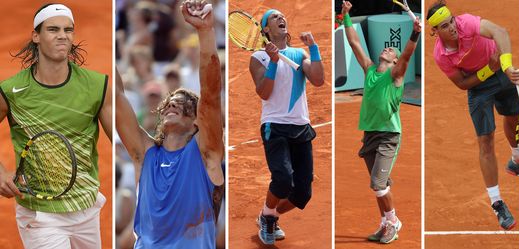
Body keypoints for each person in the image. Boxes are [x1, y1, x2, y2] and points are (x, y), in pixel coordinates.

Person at [0, 4, 111, 248]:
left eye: (68, 30)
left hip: (86, 207)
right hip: (40, 214)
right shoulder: (11, 90)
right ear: (36, 36)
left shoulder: (97, 85)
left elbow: (122, 139)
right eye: (53, 29)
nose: (63, 35)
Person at [115, 1, 225, 247]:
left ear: (198, 120)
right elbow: (116, 95)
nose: (173, 104)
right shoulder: (145, 154)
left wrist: (205, 32)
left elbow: (210, 96)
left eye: (183, 102)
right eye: (170, 102)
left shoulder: (206, 153)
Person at [427, 0, 519, 230]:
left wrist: (506, 65)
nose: (451, 27)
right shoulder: (441, 55)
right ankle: (497, 202)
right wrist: (487, 69)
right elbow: (462, 83)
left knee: (512, 117)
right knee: (486, 141)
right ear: (435, 31)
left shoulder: (467, 23)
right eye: (444, 25)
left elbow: (499, 32)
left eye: (451, 21)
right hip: (478, 87)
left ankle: (517, 159)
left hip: (501, 72)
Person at [340, 1, 419, 244]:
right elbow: (354, 42)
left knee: (378, 184)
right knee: (379, 184)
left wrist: (415, 33)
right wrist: (345, 16)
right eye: (386, 48)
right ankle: (385, 222)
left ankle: (393, 221)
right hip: (370, 134)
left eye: (391, 51)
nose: (388, 49)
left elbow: (406, 55)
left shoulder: (395, 75)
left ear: (395, 62)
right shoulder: (369, 70)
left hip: (388, 136)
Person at [247, 6, 325, 245]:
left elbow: (319, 80)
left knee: (302, 193)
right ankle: (269, 221)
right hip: (275, 126)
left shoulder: (299, 54)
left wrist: (313, 47)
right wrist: (272, 62)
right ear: (266, 30)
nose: (281, 18)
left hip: (301, 127)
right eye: (274, 17)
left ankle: (268, 216)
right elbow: (264, 92)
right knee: (282, 180)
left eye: (282, 16)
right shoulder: (258, 58)